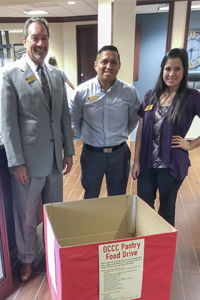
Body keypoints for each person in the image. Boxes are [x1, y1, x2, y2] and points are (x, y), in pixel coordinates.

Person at [0, 17, 74, 282]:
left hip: (55, 160)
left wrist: (68, 150)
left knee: (55, 210)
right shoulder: (10, 74)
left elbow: (64, 115)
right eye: (35, 38)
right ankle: (27, 259)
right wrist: (15, 161)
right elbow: (7, 123)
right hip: (27, 164)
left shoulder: (56, 74)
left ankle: (54, 253)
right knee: (27, 215)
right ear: (25, 41)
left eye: (44, 38)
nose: (41, 43)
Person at [131, 48, 200, 226]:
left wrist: (191, 145)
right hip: (146, 163)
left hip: (171, 164)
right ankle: (147, 243)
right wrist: (136, 161)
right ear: (162, 70)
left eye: (177, 69)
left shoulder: (192, 97)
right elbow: (140, 130)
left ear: (184, 71)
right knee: (144, 207)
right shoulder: (150, 95)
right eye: (168, 68)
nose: (171, 73)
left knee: (166, 210)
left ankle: (163, 249)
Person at [70, 45, 140, 199]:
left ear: (119, 66)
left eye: (114, 62)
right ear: (96, 65)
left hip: (119, 155)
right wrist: (89, 138)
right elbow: (75, 120)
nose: (109, 66)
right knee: (91, 197)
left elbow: (133, 119)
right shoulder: (81, 92)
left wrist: (120, 135)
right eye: (104, 62)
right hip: (92, 155)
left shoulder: (129, 93)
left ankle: (114, 224)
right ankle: (91, 224)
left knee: (117, 198)